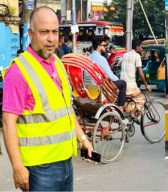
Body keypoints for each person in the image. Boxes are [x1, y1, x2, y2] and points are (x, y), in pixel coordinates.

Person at [2, 6, 94, 191]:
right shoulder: (18, 72)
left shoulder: (57, 63)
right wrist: (17, 166)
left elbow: (66, 108)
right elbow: (7, 122)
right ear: (31, 33)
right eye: (44, 32)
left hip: (66, 162)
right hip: (39, 169)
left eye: (54, 31)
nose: (51, 39)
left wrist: (83, 138)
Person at [85, 37, 127, 111]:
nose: (105, 47)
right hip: (99, 86)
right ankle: (121, 108)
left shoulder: (88, 57)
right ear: (98, 47)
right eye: (104, 46)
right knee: (123, 83)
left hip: (88, 86)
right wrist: (118, 80)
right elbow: (110, 75)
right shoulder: (101, 59)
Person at [120, 39, 151, 116]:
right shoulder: (137, 56)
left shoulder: (125, 55)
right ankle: (133, 113)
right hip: (131, 86)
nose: (141, 48)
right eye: (140, 46)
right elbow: (140, 73)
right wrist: (146, 85)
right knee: (142, 98)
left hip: (122, 85)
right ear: (137, 47)